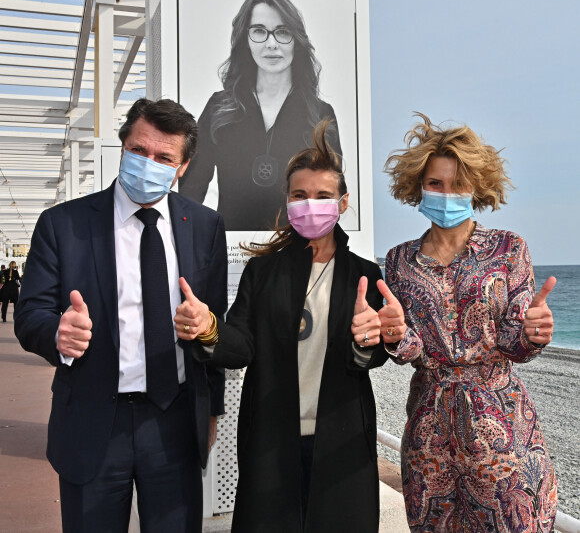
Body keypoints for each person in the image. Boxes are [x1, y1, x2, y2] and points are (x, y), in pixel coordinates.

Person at [14, 98, 228, 533]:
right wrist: (56, 332)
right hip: (94, 419)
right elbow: (30, 311)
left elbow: (214, 324)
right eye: (139, 151)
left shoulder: (205, 226)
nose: (149, 163)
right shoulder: (63, 224)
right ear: (123, 147)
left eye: (164, 157)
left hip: (174, 420)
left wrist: (212, 411)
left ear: (182, 166)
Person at [174, 120, 387, 532]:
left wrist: (370, 339)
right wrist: (208, 329)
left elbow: (373, 357)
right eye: (300, 195)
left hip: (342, 439)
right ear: (287, 201)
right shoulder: (263, 272)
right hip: (271, 438)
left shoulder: (363, 274)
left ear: (343, 203)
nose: (311, 204)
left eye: (324, 196)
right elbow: (240, 345)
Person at [379, 113, 558, 532]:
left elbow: (516, 344)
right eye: (436, 184)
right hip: (429, 427)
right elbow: (412, 352)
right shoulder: (400, 261)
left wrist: (535, 334)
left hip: (502, 422)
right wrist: (394, 335)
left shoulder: (509, 249)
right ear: (418, 187)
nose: (446, 194)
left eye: (458, 184)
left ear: (476, 185)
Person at [179, 0, 342, 232]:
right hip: (231, 252)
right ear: (245, 39)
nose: (271, 44)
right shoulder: (219, 108)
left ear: (296, 40)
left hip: (296, 251)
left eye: (283, 32)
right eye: (259, 31)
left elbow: (332, 195)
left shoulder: (320, 114)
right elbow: (190, 193)